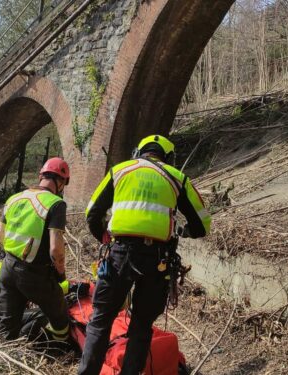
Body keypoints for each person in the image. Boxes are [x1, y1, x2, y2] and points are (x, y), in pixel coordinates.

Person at [78, 135, 211, 375]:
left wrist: (104, 236)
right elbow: (202, 224)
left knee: (100, 320)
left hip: (118, 255)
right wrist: (183, 230)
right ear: (169, 157)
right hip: (158, 259)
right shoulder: (176, 178)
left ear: (137, 152)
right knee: (141, 325)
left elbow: (92, 213)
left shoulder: (119, 170)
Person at [0, 157, 72, 342]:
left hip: (6, 268)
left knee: (6, 330)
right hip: (34, 275)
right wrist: (60, 274)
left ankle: (9, 354)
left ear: (41, 176)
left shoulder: (13, 198)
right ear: (61, 182)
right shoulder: (55, 204)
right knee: (61, 318)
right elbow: (56, 250)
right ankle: (59, 349)